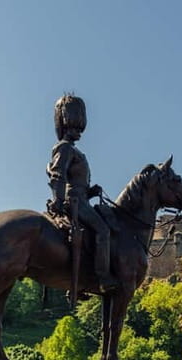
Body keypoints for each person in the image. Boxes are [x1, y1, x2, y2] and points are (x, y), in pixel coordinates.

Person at [46, 94, 118, 293]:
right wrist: (58, 200)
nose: (78, 132)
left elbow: (75, 181)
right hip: (74, 202)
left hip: (81, 198)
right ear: (64, 126)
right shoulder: (64, 148)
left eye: (79, 128)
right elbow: (57, 174)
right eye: (73, 127)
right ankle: (102, 277)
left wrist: (90, 191)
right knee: (103, 231)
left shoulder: (74, 150)